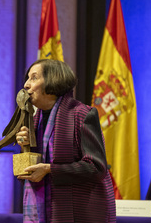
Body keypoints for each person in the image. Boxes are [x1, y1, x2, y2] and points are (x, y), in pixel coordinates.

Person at [15, 59, 116, 222]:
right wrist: (25, 148)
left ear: (53, 80)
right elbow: (31, 174)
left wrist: (49, 169)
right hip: (45, 212)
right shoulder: (34, 120)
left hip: (79, 213)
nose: (26, 85)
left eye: (34, 78)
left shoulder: (82, 114)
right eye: (27, 78)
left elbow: (96, 168)